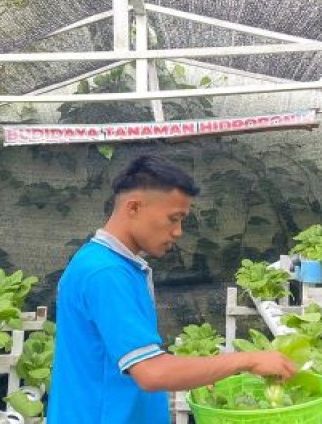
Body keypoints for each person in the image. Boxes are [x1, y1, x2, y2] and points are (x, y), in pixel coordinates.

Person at [47, 154, 298, 424]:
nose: (178, 232)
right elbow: (151, 372)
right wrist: (248, 360)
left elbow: (124, 358)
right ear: (134, 208)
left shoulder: (106, 263)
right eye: (173, 218)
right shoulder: (106, 273)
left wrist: (202, 371)